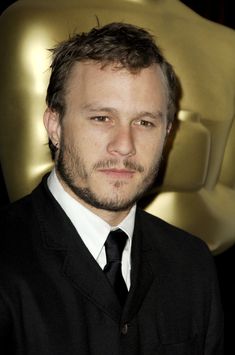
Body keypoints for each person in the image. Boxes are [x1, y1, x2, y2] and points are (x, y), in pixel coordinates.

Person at [0, 22, 223, 355]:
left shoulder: (191, 264)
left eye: (145, 122)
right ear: (55, 126)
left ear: (167, 135)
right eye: (102, 118)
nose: (124, 146)